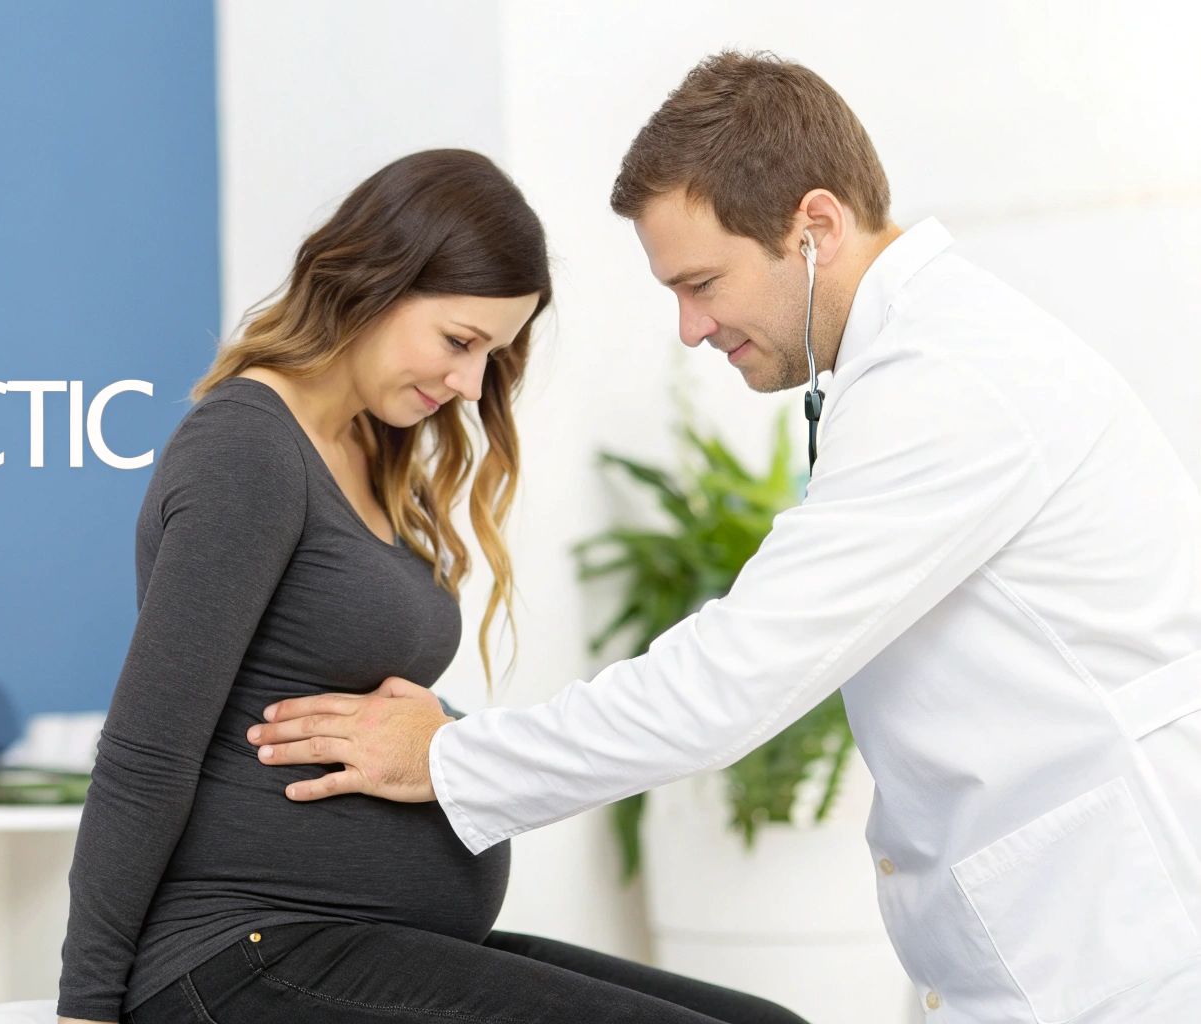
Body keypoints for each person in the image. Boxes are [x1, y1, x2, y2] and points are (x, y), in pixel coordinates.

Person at [245, 52, 1201, 1023]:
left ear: (814, 226)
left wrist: (448, 757)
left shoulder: (951, 387)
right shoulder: (914, 369)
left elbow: (731, 677)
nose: (689, 327)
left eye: (701, 282)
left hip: (1111, 955)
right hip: (1050, 939)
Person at [56, 149, 808, 1024]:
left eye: (491, 354)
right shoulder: (248, 448)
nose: (470, 384)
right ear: (373, 279)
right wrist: (85, 1010)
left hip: (365, 941)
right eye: (460, 341)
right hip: (243, 953)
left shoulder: (370, 451)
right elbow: (146, 753)